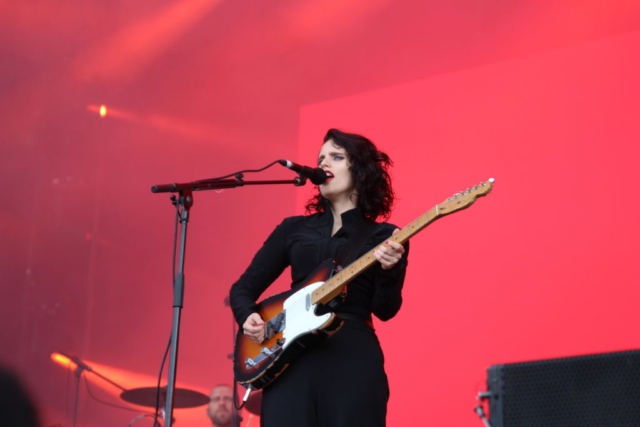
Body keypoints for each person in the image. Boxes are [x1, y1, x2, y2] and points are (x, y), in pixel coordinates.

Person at [229, 128, 409, 427]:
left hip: (352, 356)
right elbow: (242, 289)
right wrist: (248, 317)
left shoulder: (385, 235)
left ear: (361, 171)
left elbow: (385, 310)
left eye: (336, 157)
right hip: (288, 358)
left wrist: (391, 270)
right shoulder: (293, 229)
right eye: (320, 158)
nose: (323, 163)